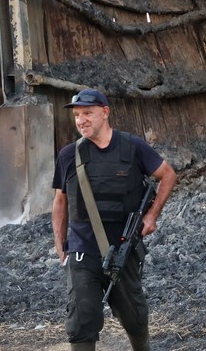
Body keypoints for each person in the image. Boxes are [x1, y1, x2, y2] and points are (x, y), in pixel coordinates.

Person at [52, 88, 177, 351]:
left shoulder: (133, 147)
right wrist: (60, 245)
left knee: (135, 316)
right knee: (81, 319)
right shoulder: (68, 155)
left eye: (87, 113)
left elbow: (167, 175)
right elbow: (60, 201)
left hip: (123, 249)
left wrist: (151, 216)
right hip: (82, 251)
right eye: (77, 115)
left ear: (105, 112)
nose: (81, 120)